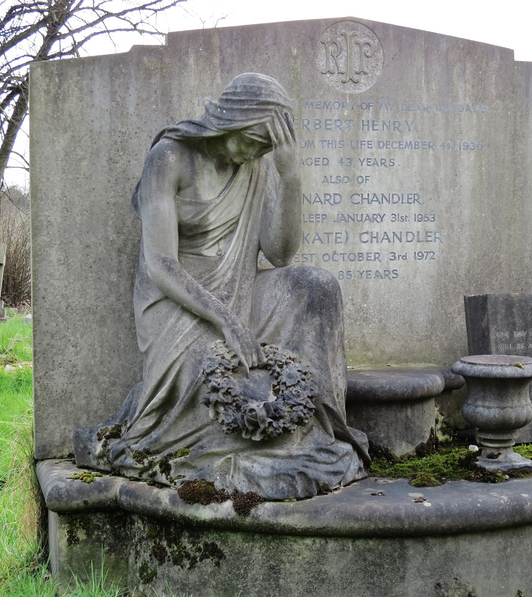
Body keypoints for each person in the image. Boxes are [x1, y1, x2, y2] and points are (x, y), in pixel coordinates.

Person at [74, 73, 369, 500]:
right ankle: (217, 443)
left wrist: (290, 179)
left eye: (264, 148)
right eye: (251, 140)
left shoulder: (257, 167)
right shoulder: (169, 157)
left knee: (316, 287)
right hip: (178, 300)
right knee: (210, 379)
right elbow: (159, 263)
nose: (254, 153)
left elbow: (281, 254)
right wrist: (227, 320)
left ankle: (316, 429)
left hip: (241, 290)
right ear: (230, 120)